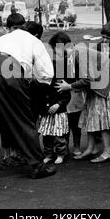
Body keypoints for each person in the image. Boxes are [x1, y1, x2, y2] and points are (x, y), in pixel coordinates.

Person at [0, 12, 57, 179]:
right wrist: (37, 93)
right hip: (5, 67)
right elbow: (46, 73)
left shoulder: (2, 38)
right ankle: (37, 165)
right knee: (22, 118)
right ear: (26, 27)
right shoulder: (33, 40)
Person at [57, 41, 110, 163]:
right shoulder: (77, 52)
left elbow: (87, 79)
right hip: (97, 83)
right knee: (90, 116)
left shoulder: (79, 55)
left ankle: (108, 150)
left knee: (101, 118)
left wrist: (69, 86)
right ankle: (92, 148)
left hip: (103, 86)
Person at [38, 32, 72, 165]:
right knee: (47, 134)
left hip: (58, 105)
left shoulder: (64, 66)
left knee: (59, 135)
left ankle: (61, 153)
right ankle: (48, 153)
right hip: (47, 106)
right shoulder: (50, 64)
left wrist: (59, 104)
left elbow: (66, 92)